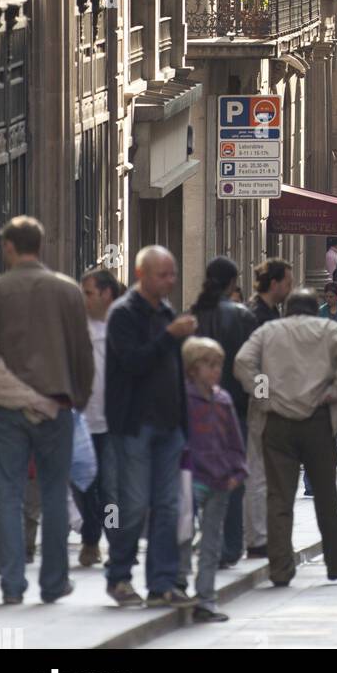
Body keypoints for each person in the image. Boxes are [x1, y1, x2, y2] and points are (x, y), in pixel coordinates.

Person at [0, 216, 94, 606]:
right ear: (40, 246)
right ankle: (54, 582)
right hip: (57, 403)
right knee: (52, 492)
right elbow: (82, 352)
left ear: (10, 247)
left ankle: (13, 585)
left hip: (8, 408)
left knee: (9, 494)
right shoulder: (66, 291)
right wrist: (79, 397)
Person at [235, 288, 337, 586]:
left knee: (279, 497)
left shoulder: (269, 331)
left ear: (287, 309)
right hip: (316, 420)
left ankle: (280, 567)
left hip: (277, 421)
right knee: (326, 495)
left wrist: (263, 393)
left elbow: (243, 362)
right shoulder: (327, 329)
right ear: (313, 308)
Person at [104, 245, 196, 607]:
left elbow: (175, 374)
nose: (171, 281)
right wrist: (170, 336)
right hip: (135, 424)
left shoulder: (168, 312)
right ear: (142, 274)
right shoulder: (124, 314)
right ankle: (119, 576)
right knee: (134, 505)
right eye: (164, 274)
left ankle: (162, 583)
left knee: (168, 506)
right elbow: (132, 363)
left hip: (169, 425)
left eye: (173, 273)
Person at [190, 257, 257, 570]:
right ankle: (229, 545)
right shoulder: (242, 316)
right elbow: (256, 367)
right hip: (236, 409)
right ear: (232, 283)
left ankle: (203, 537)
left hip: (195, 409)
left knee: (196, 475)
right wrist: (261, 401)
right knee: (232, 476)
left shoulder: (192, 317)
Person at [180, 337, 248, 622]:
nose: (215, 371)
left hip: (220, 479)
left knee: (211, 541)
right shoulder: (182, 398)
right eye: (208, 365)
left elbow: (234, 438)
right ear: (192, 369)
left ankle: (206, 598)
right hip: (190, 477)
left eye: (218, 365)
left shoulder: (223, 399)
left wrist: (238, 471)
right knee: (182, 535)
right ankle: (179, 586)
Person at [74, 267, 125, 568]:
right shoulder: (76, 327)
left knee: (110, 491)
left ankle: (114, 542)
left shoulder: (122, 325)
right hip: (80, 421)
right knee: (82, 488)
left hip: (112, 424)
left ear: (106, 294)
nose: (84, 299)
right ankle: (90, 538)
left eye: (88, 293)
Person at [243, 259, 293, 560]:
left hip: (267, 399)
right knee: (257, 471)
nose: (289, 288)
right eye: (287, 282)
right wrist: (262, 397)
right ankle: (257, 537)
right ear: (274, 284)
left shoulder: (267, 312)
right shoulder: (256, 316)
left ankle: (257, 533)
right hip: (258, 404)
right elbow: (252, 362)